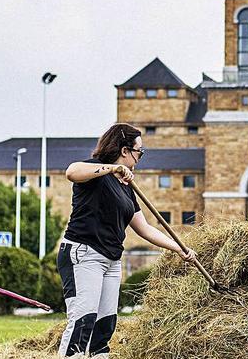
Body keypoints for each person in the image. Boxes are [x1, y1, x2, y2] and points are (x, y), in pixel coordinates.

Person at [57, 123, 197, 357]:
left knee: (105, 324)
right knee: (83, 320)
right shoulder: (96, 170)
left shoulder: (126, 187)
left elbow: (144, 228)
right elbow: (72, 172)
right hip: (84, 254)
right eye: (138, 151)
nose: (140, 157)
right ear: (124, 151)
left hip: (111, 259)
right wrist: (112, 169)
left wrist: (179, 248)